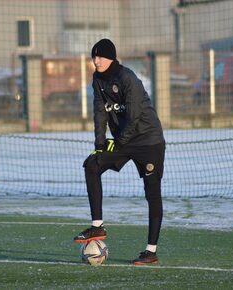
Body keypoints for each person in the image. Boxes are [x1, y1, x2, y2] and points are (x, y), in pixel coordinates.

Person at [73, 38, 166, 265]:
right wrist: (100, 144)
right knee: (92, 165)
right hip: (124, 140)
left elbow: (134, 118)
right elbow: (99, 112)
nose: (96, 61)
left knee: (152, 193)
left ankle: (150, 251)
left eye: (100, 57)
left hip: (148, 141)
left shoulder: (127, 78)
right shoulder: (97, 79)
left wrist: (117, 143)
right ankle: (97, 227)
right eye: (93, 57)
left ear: (111, 58)